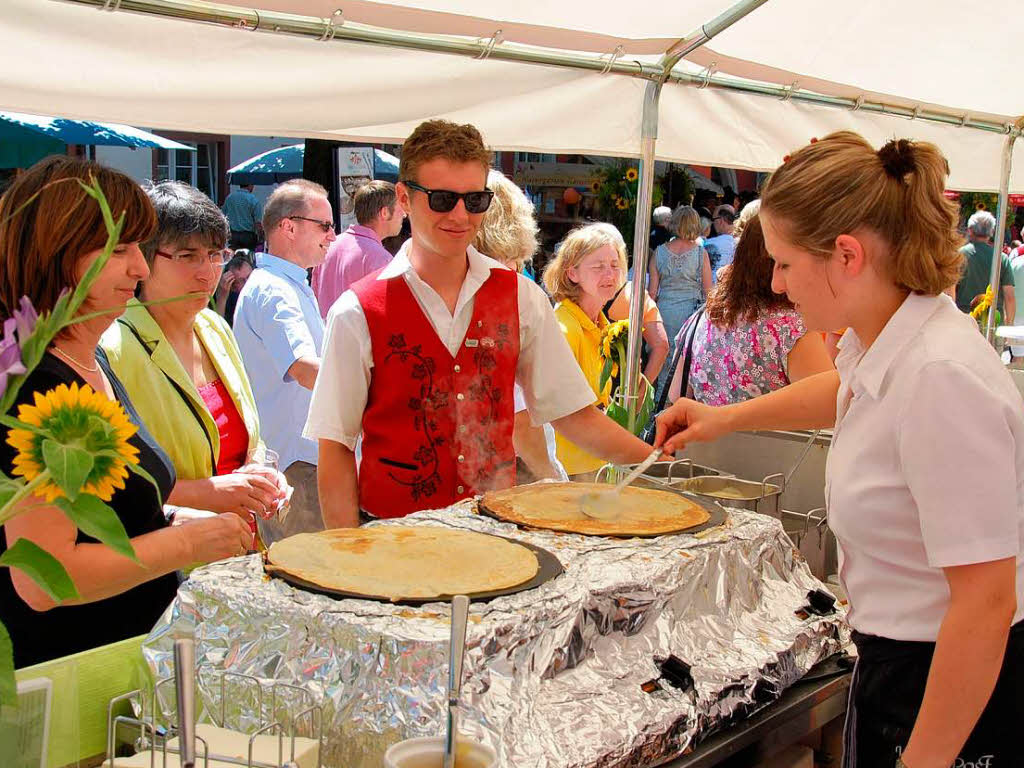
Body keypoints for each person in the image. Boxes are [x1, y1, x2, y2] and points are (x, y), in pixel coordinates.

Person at [655, 132, 1024, 768]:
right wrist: (721, 420)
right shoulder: (889, 336)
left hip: (940, 679)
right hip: (895, 657)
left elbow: (987, 600)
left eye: (786, 263)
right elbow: (846, 389)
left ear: (846, 255)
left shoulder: (940, 376)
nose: (774, 280)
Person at [306, 119, 652, 526]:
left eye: (474, 200)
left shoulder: (521, 297)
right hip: (393, 541)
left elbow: (572, 413)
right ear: (404, 197)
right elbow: (336, 447)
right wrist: (347, 555)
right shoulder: (358, 311)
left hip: (494, 533)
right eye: (441, 199)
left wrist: (657, 464)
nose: (459, 215)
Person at [0, 157, 251, 667]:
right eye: (119, 250)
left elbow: (114, 512)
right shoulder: (41, 382)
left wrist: (183, 515)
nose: (139, 268)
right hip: (70, 675)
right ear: (57, 254)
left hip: (123, 657)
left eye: (139, 248)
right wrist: (188, 540)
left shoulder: (85, 357)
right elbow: (46, 576)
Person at [100, 181, 285, 527]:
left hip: (237, 549)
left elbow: (252, 439)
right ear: (144, 258)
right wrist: (208, 493)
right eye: (188, 256)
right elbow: (109, 488)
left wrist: (261, 474)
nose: (207, 272)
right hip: (169, 564)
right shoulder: (113, 347)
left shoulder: (214, 327)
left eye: (216, 255)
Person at [233, 180, 335, 539]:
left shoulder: (283, 283)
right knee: (307, 576)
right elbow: (304, 368)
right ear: (288, 227)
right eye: (324, 225)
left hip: (299, 458)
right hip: (297, 463)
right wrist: (373, 382)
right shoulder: (275, 289)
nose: (332, 236)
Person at [667, 201, 833, 404]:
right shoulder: (791, 329)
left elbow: (676, 396)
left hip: (703, 435)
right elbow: (828, 409)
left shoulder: (703, 318)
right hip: (771, 436)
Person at [473, 170, 565, 481]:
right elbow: (519, 416)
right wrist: (551, 478)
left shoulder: (450, 283)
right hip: (510, 469)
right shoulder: (503, 291)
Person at [543, 223, 634, 477]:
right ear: (572, 273)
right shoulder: (563, 329)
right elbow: (563, 414)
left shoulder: (603, 325)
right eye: (598, 267)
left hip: (598, 462)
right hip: (570, 470)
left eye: (615, 265)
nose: (610, 274)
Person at [311, 180, 404, 320]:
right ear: (384, 212)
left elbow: (314, 300)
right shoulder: (381, 259)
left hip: (327, 337)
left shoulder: (328, 247)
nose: (404, 215)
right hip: (361, 339)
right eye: (400, 209)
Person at [648, 205, 713, 394]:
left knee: (662, 358)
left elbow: (651, 293)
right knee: (685, 363)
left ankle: (659, 405)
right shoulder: (701, 253)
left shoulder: (659, 252)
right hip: (691, 315)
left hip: (664, 312)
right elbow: (709, 291)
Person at [955, 210, 1015, 324]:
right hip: (993, 320)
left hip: (963, 318)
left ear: (970, 230)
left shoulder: (959, 255)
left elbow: (950, 290)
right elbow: (1009, 295)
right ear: (991, 232)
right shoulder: (1001, 258)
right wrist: (1009, 323)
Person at [213, 248, 254, 326]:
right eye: (242, 281)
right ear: (232, 287)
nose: (248, 283)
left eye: (249, 277)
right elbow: (217, 327)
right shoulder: (229, 300)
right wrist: (222, 297)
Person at [221, 183, 263, 251]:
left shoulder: (230, 198)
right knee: (248, 258)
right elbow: (257, 223)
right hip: (248, 236)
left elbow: (222, 215)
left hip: (233, 235)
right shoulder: (253, 200)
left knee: (234, 258)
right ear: (250, 185)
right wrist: (260, 237)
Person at [704, 204, 737, 278]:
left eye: (713, 219)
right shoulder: (742, 244)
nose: (712, 223)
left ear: (721, 221)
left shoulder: (707, 244)